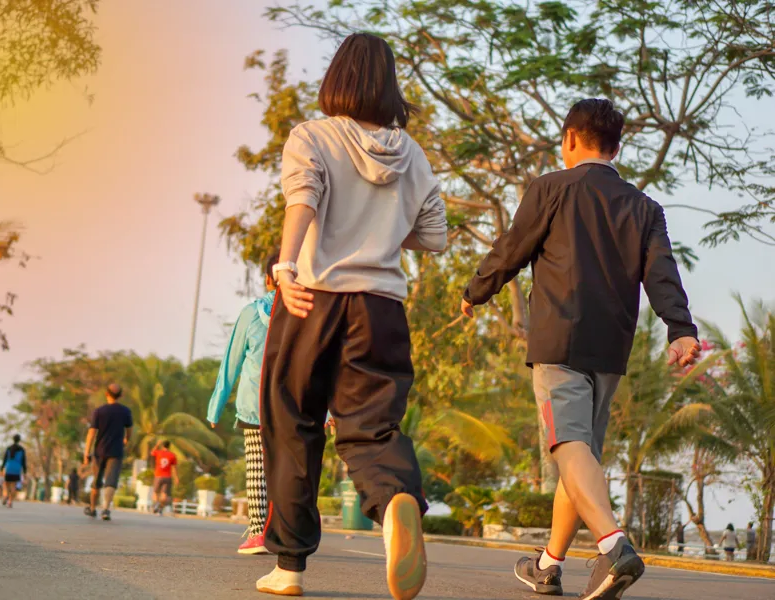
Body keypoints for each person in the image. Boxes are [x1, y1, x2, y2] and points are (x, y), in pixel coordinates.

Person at [461, 98, 700, 600]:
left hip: (558, 340)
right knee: (581, 452)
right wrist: (681, 329)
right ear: (617, 146)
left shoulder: (551, 187)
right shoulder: (644, 207)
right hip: (611, 347)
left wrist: (474, 292)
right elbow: (662, 273)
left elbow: (511, 248)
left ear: (569, 138)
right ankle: (548, 565)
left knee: (567, 445)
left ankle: (613, 547)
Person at [255, 33, 447, 600]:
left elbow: (303, 199)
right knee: (372, 428)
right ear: (389, 85)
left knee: (293, 421)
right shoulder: (411, 154)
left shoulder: (312, 136)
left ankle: (289, 568)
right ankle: (394, 505)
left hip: (313, 297)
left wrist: (286, 266)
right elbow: (434, 237)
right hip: (382, 306)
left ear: (336, 77)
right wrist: (383, 230)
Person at [207, 252, 279, 555]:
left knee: (256, 468)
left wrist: (216, 405)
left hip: (254, 404)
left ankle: (257, 532)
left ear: (267, 279)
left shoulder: (251, 313)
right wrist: (326, 409)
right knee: (284, 468)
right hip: (291, 405)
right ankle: (282, 531)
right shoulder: (306, 312)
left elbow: (231, 363)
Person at [83, 383, 132, 521]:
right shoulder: (125, 411)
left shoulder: (99, 411)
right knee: (111, 481)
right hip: (116, 451)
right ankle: (105, 509)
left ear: (106, 394)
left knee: (96, 481)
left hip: (100, 451)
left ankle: (92, 509)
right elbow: (129, 431)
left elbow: (91, 433)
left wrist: (86, 452)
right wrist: (126, 440)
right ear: (120, 395)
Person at [149, 440, 179, 516]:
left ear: (162, 446)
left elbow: (152, 452)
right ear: (169, 446)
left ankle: (156, 505)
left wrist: (157, 444)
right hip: (167, 476)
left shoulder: (159, 452)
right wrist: (176, 478)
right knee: (164, 495)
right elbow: (174, 468)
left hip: (158, 476)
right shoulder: (172, 455)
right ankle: (160, 508)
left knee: (155, 492)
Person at [0, 434, 27, 509]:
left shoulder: (9, 448)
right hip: (17, 469)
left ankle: (5, 495)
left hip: (9, 468)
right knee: (13, 485)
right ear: (19, 440)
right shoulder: (22, 449)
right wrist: (25, 471)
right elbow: (24, 461)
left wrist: (2, 468)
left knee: (6, 484)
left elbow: (5, 459)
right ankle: (10, 501)